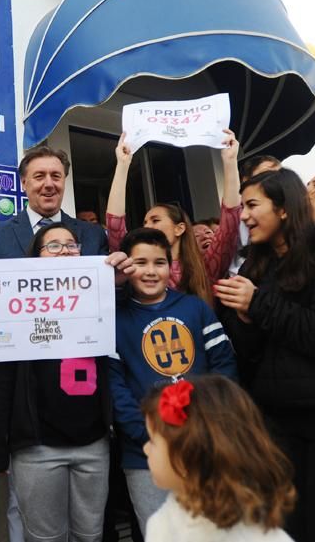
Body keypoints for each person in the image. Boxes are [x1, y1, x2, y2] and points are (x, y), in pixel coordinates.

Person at [215, 169, 315, 542]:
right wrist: (244, 318)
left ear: (284, 208)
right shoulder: (256, 266)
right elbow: (252, 354)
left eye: (253, 205)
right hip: (277, 424)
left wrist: (260, 303)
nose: (245, 216)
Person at [0, 223, 133, 542]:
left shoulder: (102, 301)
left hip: (94, 444)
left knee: (90, 535)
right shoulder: (15, 310)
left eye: (72, 244)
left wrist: (119, 282)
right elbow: (1, 384)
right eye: (53, 246)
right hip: (37, 448)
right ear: (34, 257)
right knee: (44, 537)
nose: (65, 250)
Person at [109, 227, 238, 531]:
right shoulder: (113, 319)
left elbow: (225, 369)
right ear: (126, 267)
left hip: (204, 445)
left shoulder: (196, 308)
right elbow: (115, 388)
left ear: (171, 266)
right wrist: (148, 435)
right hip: (145, 455)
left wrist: (206, 427)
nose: (151, 271)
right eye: (140, 263)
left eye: (160, 262)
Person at [140, 375, 296, 542]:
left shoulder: (261, 537)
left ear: (188, 456)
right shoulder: (161, 526)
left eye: (152, 441)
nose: (145, 448)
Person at [107, 131, 242, 306]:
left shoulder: (206, 266)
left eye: (155, 220)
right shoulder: (134, 267)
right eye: (145, 222)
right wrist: (123, 165)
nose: (148, 226)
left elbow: (230, 223)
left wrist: (230, 162)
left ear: (180, 228)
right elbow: (115, 225)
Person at [0, 144, 108, 259]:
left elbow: (106, 283)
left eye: (56, 176)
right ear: (23, 183)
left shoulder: (94, 235)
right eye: (39, 176)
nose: (49, 184)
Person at [229, 155, 282, 276]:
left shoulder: (313, 243)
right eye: (266, 176)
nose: (244, 216)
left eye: (279, 175)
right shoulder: (250, 265)